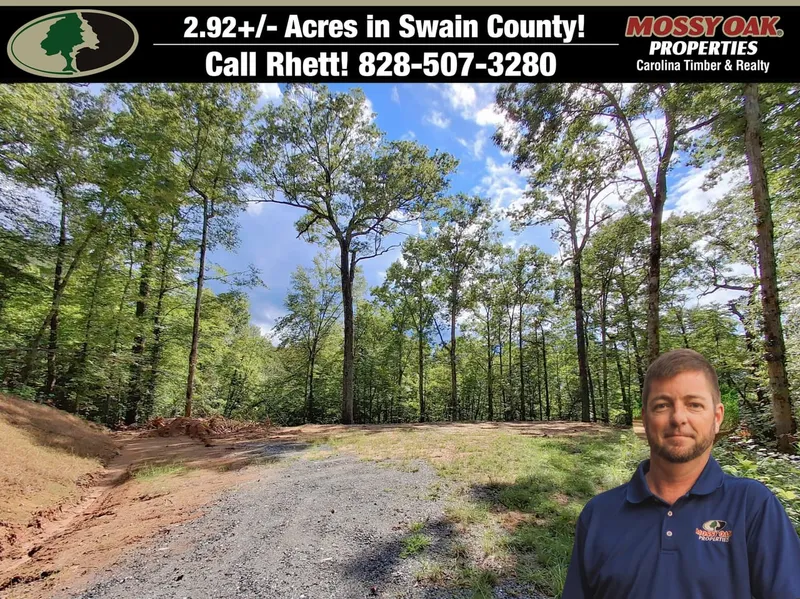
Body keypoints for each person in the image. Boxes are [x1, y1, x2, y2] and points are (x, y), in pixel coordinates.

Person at [562, 348, 800, 599]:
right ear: (644, 419)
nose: (678, 418)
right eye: (662, 405)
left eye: (694, 405)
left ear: (717, 417)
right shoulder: (599, 514)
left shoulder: (751, 506)